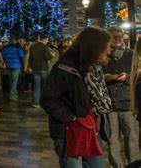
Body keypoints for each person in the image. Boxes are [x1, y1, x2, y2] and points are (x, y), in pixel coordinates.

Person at [41, 27, 112, 168]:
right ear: (93, 47)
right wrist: (72, 117)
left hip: (92, 129)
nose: (108, 52)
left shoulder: (94, 67)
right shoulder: (64, 67)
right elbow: (47, 99)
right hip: (69, 132)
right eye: (105, 47)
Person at [103, 26, 139, 168]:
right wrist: (106, 78)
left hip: (127, 103)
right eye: (114, 36)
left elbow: (138, 75)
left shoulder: (131, 54)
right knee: (113, 140)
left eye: (119, 36)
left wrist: (128, 77)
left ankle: (134, 165)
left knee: (132, 138)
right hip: (110, 103)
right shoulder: (104, 56)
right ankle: (116, 166)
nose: (117, 39)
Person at [29, 34, 53, 108]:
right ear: (45, 39)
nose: (47, 41)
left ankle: (35, 102)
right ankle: (45, 101)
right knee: (46, 86)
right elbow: (47, 57)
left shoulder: (33, 46)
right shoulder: (45, 47)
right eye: (47, 40)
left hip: (35, 69)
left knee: (36, 86)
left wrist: (32, 66)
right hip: (43, 69)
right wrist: (52, 55)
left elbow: (30, 58)